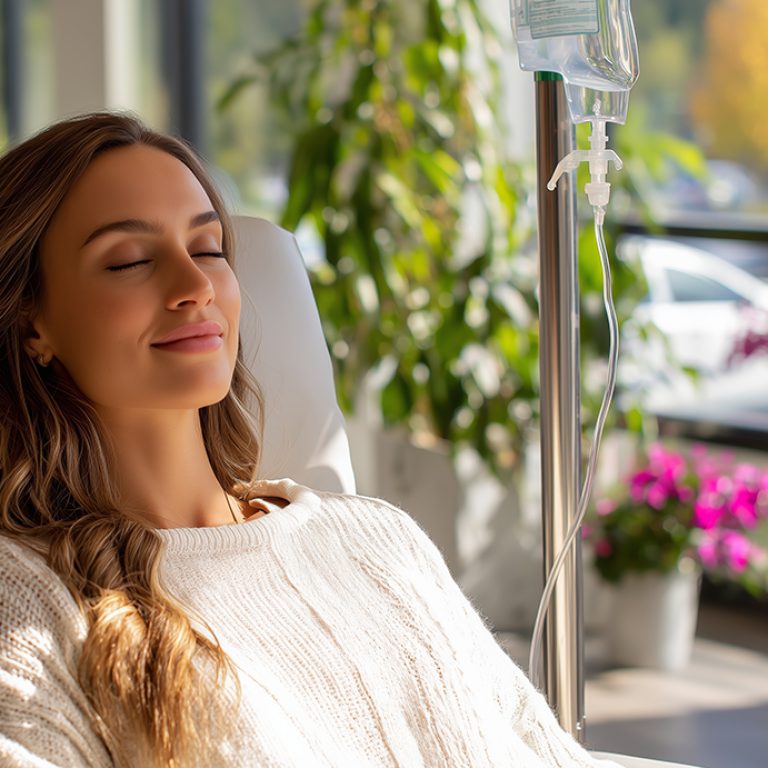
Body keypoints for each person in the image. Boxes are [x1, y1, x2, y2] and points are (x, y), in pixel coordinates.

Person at [0, 113, 621, 768]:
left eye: (209, 249)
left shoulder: (380, 540)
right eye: (128, 261)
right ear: (31, 322)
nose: (195, 287)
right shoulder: (30, 607)